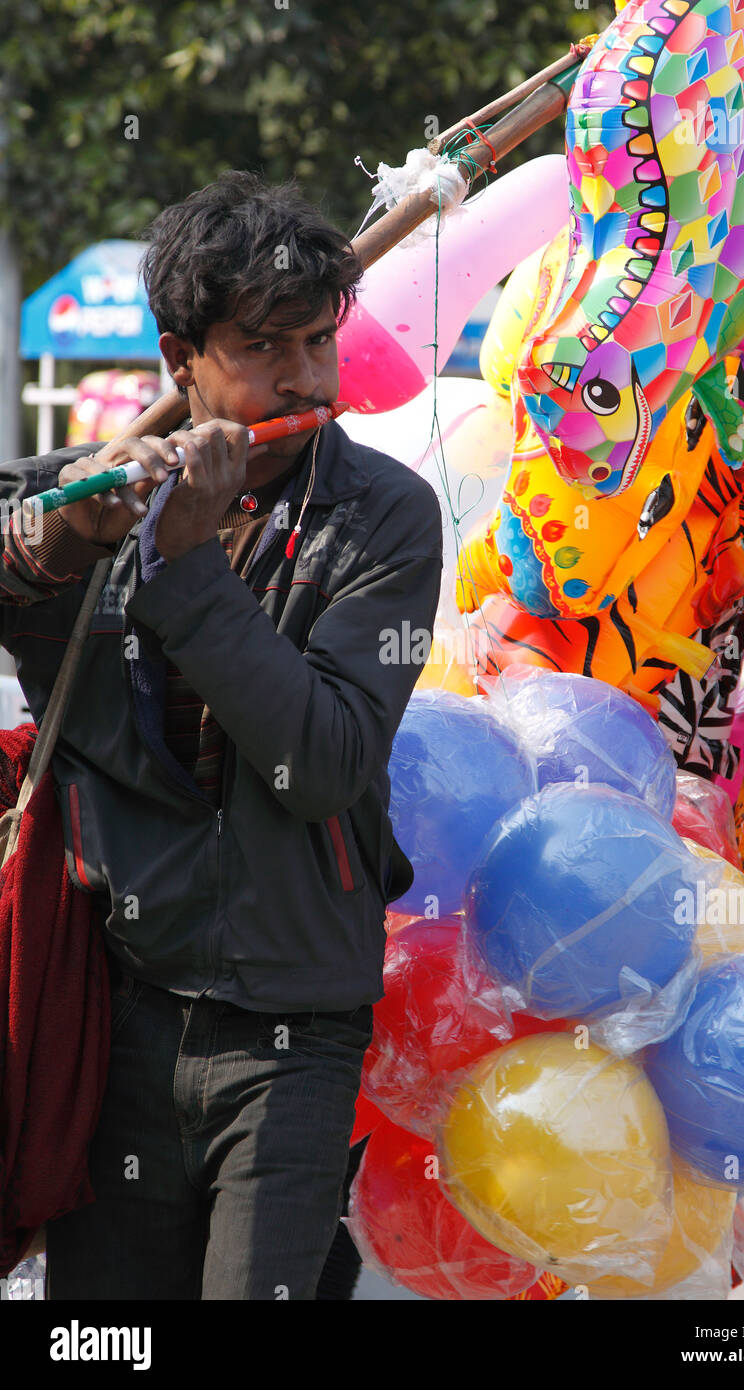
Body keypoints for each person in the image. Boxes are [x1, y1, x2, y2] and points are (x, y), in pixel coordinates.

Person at [0, 170, 442, 1299]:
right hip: (117, 1014)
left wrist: (188, 569)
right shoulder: (83, 500)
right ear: (179, 359)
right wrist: (51, 553)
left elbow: (323, 762)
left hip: (294, 1026)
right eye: (262, 348)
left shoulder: (383, 516)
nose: (305, 380)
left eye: (317, 343)